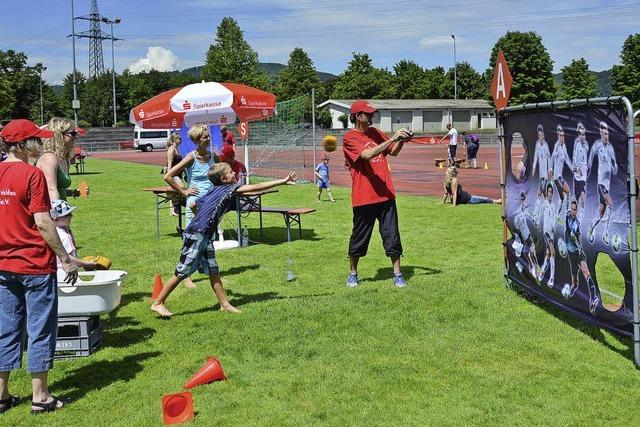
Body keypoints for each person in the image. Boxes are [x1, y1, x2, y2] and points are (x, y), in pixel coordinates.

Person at [0, 119, 78, 415]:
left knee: (6, 328)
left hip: (4, 265)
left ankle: (2, 396)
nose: (40, 143)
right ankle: (41, 396)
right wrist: (65, 258)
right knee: (40, 328)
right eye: (34, 139)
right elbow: (44, 223)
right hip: (34, 263)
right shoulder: (32, 175)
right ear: (21, 145)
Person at [151, 164, 298, 317]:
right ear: (223, 179)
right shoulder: (229, 189)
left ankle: (224, 304)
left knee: (213, 270)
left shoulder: (213, 190)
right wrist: (283, 181)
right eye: (230, 172)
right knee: (182, 271)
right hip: (198, 234)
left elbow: (194, 204)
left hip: (203, 234)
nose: (234, 173)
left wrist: (199, 218)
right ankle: (159, 302)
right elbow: (258, 186)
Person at [342, 100, 412, 288]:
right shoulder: (350, 137)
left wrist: (401, 141)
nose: (372, 116)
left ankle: (397, 274)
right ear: (358, 116)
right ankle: (353, 273)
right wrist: (392, 138)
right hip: (364, 197)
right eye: (368, 113)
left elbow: (393, 152)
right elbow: (367, 155)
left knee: (392, 235)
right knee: (359, 237)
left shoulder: (375, 132)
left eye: (373, 113)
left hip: (386, 195)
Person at [164, 124, 220, 289]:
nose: (208, 139)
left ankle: (209, 272)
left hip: (210, 205)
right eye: (205, 137)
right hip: (194, 205)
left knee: (207, 240)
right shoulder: (190, 157)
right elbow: (168, 176)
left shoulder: (214, 156)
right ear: (197, 140)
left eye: (209, 136)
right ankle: (185, 276)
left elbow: (221, 174)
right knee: (191, 242)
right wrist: (183, 190)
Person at [565, 199, 600, 315]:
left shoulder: (577, 223)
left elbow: (573, 232)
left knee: (586, 272)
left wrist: (579, 246)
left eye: (575, 210)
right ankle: (574, 286)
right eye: (572, 209)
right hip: (571, 253)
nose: (574, 212)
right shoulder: (567, 217)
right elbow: (567, 227)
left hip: (578, 252)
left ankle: (593, 297)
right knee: (574, 281)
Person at [35, 117, 83, 201]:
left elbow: (58, 189)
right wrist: (61, 213)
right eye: (73, 134)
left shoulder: (64, 158)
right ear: (59, 135)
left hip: (61, 209)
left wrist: (73, 192)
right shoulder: (49, 158)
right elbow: (50, 190)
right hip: (51, 211)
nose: (76, 137)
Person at [587, 121, 617, 245]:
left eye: (607, 134)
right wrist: (588, 167)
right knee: (611, 204)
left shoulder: (610, 148)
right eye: (604, 134)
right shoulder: (597, 145)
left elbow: (614, 163)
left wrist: (614, 166)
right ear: (601, 134)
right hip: (601, 184)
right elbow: (591, 156)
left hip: (607, 185)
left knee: (600, 214)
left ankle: (591, 227)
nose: (606, 136)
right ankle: (606, 234)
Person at [50, 199, 98, 275]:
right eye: (67, 214)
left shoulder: (49, 233)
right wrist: (87, 264)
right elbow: (68, 259)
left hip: (52, 274)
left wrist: (69, 230)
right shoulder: (64, 236)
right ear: (57, 219)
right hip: (66, 274)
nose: (71, 216)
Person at [513, 192, 539, 278]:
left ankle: (533, 267)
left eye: (524, 199)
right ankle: (532, 267)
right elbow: (516, 225)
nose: (523, 201)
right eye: (522, 199)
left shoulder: (529, 208)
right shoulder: (517, 212)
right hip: (526, 234)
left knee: (532, 250)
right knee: (530, 250)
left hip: (533, 232)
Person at [550, 124, 573, 220]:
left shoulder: (564, 147)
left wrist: (573, 169)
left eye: (563, 135)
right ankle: (563, 214)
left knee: (564, 197)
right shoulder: (557, 146)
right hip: (556, 177)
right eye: (560, 135)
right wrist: (551, 171)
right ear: (558, 136)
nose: (562, 137)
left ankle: (557, 217)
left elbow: (567, 159)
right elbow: (552, 159)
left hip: (559, 177)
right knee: (566, 193)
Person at [532, 124, 551, 228]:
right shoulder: (537, 144)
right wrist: (534, 167)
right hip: (541, 175)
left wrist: (549, 171)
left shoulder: (546, 145)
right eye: (539, 136)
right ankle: (538, 217)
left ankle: (537, 217)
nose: (540, 137)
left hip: (545, 175)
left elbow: (549, 158)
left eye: (541, 135)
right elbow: (535, 155)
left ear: (543, 135)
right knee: (543, 195)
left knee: (542, 194)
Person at [538, 183, 556, 287]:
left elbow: (554, 218)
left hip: (551, 232)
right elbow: (540, 214)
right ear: (546, 193)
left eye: (551, 192)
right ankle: (552, 278)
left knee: (548, 254)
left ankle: (542, 273)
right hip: (546, 232)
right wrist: (539, 224)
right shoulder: (544, 203)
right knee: (553, 253)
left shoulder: (553, 205)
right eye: (548, 192)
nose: (550, 194)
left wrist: (554, 225)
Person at [572, 122, 589, 223]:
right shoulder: (576, 144)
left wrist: (584, 170)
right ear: (578, 135)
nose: (582, 136)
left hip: (583, 178)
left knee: (583, 199)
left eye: (583, 134)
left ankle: (580, 221)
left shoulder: (586, 145)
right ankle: (574, 219)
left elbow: (585, 160)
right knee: (576, 199)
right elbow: (574, 159)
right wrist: (577, 169)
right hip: (576, 177)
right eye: (580, 134)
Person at [166, 132, 185, 217]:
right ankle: (176, 208)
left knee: (175, 191)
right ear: (175, 139)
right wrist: (169, 176)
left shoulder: (177, 149)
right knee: (180, 189)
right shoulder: (171, 149)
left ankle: (173, 211)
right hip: (174, 175)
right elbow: (169, 163)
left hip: (178, 174)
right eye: (179, 138)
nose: (181, 139)